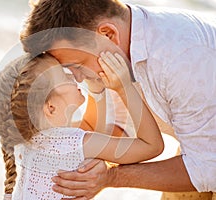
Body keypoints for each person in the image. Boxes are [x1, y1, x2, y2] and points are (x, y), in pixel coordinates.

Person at [20, 0, 216, 199]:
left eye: (77, 66)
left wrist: (111, 177)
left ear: (107, 34)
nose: (77, 78)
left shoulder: (180, 57)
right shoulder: (110, 57)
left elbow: (209, 170)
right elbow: (110, 133)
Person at [0, 53, 163, 199]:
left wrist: (96, 90)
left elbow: (88, 129)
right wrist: (125, 87)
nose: (73, 76)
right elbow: (151, 146)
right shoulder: (75, 143)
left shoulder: (27, 144)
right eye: (63, 76)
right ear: (50, 107)